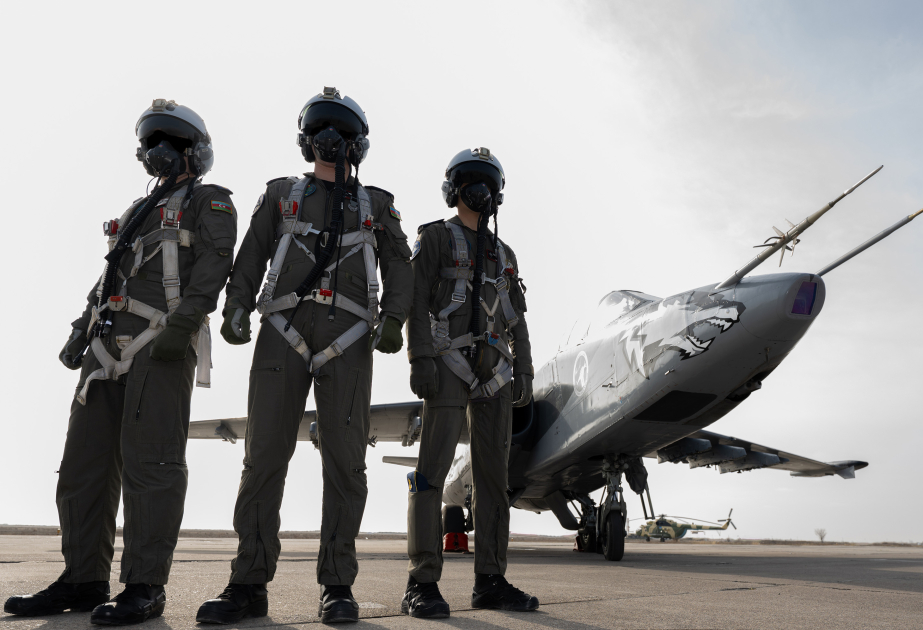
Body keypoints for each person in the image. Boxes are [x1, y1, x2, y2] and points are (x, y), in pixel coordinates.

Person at [3, 99, 237, 625]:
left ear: (194, 153)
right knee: (82, 471)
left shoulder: (210, 202)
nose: (158, 152)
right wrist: (78, 331)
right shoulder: (137, 211)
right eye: (152, 143)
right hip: (105, 346)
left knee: (151, 467)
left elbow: (214, 265)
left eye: (171, 144)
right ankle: (83, 578)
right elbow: (110, 277)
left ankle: (145, 585)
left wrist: (183, 326)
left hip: (160, 346)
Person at [195, 87, 413, 625]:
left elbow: (400, 267)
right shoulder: (280, 195)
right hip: (281, 336)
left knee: (346, 464)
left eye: (340, 130)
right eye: (321, 128)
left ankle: (338, 585)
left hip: (350, 343)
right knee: (264, 459)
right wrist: (236, 306)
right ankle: (248, 583)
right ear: (305, 138)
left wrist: (394, 319)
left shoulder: (377, 205)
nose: (330, 139)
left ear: (357, 143)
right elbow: (250, 255)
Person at [401, 148, 538, 618]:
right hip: (446, 367)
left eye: (487, 183)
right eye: (470, 181)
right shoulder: (436, 238)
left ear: (497, 194)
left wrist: (526, 369)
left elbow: (516, 318)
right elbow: (416, 302)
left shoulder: (505, 254)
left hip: (496, 375)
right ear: (454, 190)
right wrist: (419, 357)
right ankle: (422, 581)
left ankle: (491, 580)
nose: (480, 191)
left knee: (494, 482)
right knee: (431, 475)